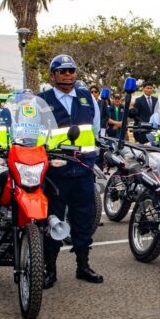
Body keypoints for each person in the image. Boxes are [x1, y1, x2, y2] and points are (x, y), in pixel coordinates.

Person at [38, 54, 103, 288]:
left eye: (71, 70)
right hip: (56, 172)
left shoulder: (87, 97)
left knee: (84, 218)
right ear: (53, 75)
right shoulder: (41, 100)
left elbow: (95, 129)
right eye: (62, 71)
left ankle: (83, 266)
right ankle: (49, 269)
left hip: (83, 168)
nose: (68, 74)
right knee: (53, 220)